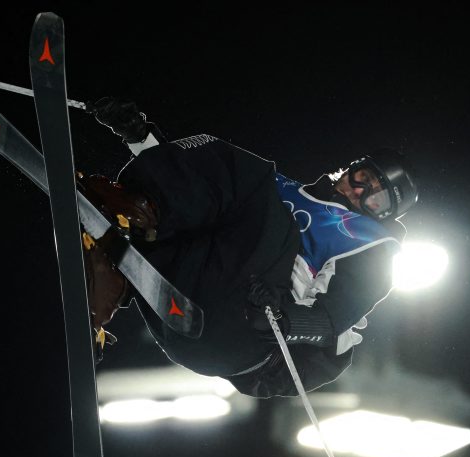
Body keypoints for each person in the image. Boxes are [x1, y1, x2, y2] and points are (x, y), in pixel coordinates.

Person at [82, 97, 417, 397]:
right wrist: (139, 137)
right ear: (351, 168)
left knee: (251, 178)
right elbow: (199, 187)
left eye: (377, 200)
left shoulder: (373, 243)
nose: (360, 192)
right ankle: (102, 286)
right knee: (201, 205)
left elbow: (335, 318)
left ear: (383, 216)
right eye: (363, 178)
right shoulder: (283, 189)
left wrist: (284, 320)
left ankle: (141, 211)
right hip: (187, 309)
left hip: (247, 328)